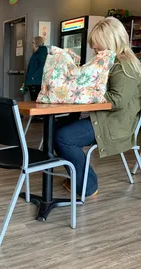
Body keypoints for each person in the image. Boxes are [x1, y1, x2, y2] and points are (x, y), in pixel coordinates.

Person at [54, 17, 141, 197]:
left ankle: (88, 185)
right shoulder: (109, 61)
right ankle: (78, 176)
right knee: (55, 130)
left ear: (110, 40)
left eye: (96, 43)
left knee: (63, 138)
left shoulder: (123, 64)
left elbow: (117, 100)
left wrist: (86, 94)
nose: (93, 46)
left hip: (113, 124)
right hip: (102, 118)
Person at [25, 36, 48, 101]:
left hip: (36, 82)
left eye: (33, 43)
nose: (32, 45)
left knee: (35, 101)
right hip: (35, 82)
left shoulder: (40, 53)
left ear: (36, 43)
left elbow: (42, 66)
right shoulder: (40, 53)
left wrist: (33, 77)